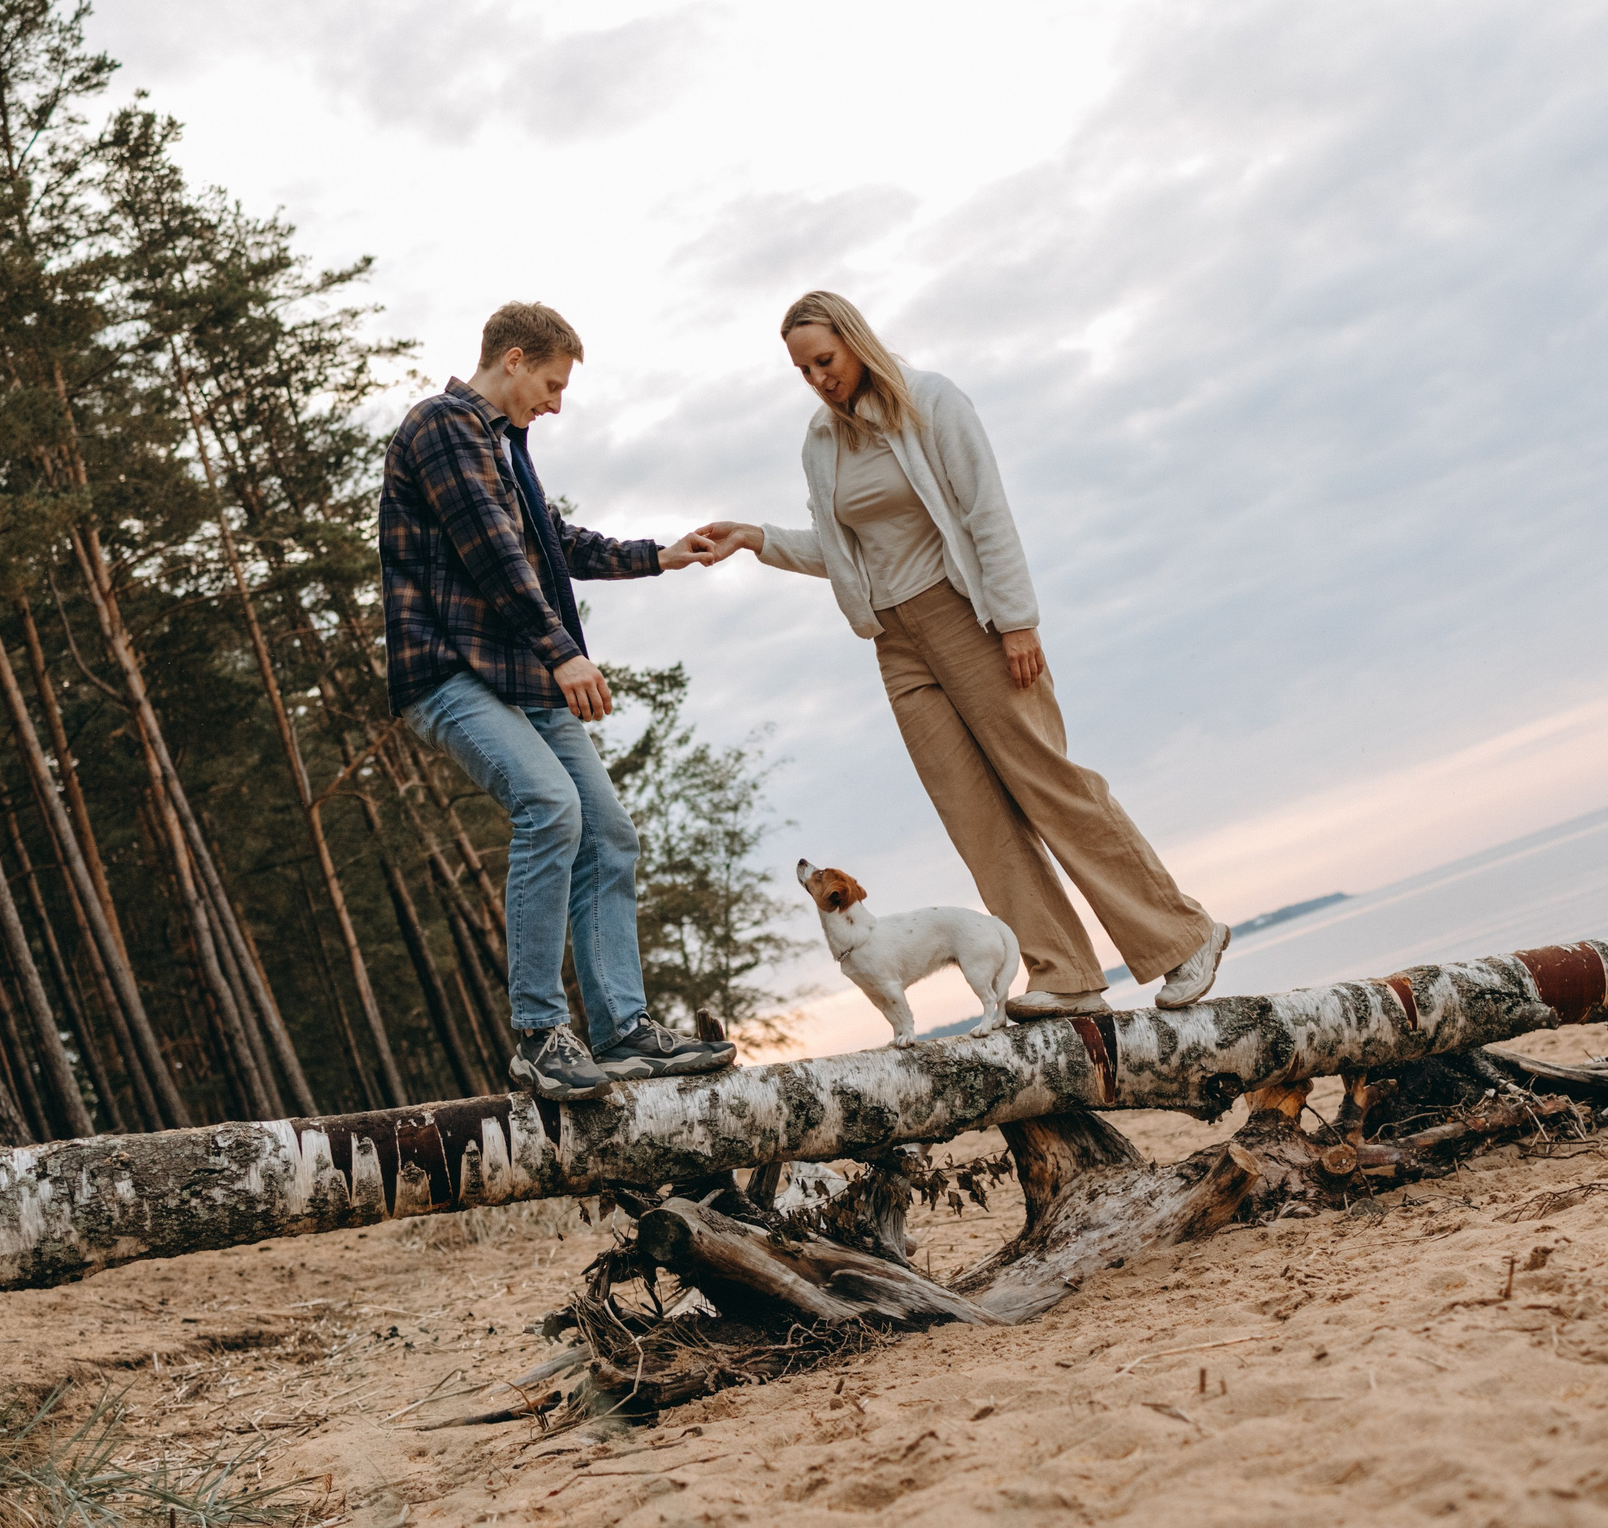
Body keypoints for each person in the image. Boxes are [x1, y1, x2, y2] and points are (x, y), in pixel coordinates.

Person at [696, 291, 1230, 1020]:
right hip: (896, 641)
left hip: (967, 616)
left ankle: (1183, 936)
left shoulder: (932, 402)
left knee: (1048, 784)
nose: (818, 378)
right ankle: (1065, 973)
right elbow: (843, 551)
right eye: (803, 370)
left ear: (855, 341)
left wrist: (1017, 621)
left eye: (825, 360)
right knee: (973, 815)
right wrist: (759, 538)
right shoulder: (821, 443)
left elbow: (985, 509)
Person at [378, 301, 736, 1100]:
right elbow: (499, 557)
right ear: (512, 359)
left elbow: (551, 542)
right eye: (551, 382)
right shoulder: (442, 427)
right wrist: (566, 653)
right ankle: (540, 1035)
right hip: (447, 672)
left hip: (516, 676)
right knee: (548, 804)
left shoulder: (506, 450)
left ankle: (622, 1030)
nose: (556, 401)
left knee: (607, 831)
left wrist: (659, 556)